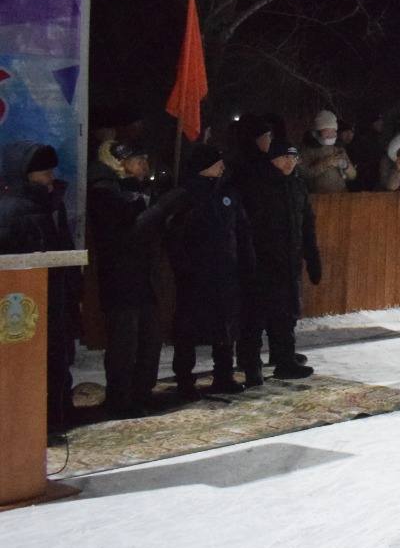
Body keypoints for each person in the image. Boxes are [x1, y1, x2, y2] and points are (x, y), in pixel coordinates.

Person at [88, 140, 182, 416]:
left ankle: (142, 392)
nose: (144, 165)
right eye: (137, 159)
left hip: (145, 275)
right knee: (124, 345)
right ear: (120, 162)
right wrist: (160, 208)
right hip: (121, 278)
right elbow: (129, 232)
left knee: (150, 340)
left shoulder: (137, 190)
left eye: (145, 159)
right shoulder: (104, 190)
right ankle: (120, 399)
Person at [0, 141, 83, 430]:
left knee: (57, 361)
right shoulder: (13, 211)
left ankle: (59, 415)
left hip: (53, 297)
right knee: (36, 364)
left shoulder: (50, 206)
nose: (51, 178)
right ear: (26, 175)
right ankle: (39, 424)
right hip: (27, 304)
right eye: (44, 173)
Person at [166, 143, 254, 396]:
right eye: (217, 163)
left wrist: (246, 262)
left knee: (225, 325)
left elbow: (242, 230)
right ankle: (184, 380)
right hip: (195, 273)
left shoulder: (228, 193)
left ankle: (223, 375)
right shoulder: (185, 195)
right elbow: (174, 236)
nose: (222, 166)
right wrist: (183, 266)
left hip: (226, 270)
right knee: (188, 328)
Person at [237, 141, 320, 383]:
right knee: (256, 316)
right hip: (262, 262)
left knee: (286, 313)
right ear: (272, 159)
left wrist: (312, 256)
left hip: (289, 261)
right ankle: (250, 362)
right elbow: (248, 227)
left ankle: (285, 360)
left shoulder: (296, 185)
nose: (290, 163)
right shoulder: (257, 185)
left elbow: (307, 225)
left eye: (294, 158)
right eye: (284, 157)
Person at [299, 110, 357, 194]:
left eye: (333, 131)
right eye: (327, 132)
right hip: (319, 196)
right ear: (317, 132)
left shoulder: (338, 148)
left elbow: (353, 176)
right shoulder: (307, 149)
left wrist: (345, 165)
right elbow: (303, 174)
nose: (331, 135)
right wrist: (326, 163)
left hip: (341, 194)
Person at [348, 115, 390, 192]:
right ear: (373, 123)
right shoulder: (365, 138)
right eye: (378, 121)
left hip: (374, 174)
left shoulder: (378, 138)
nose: (381, 123)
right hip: (366, 176)